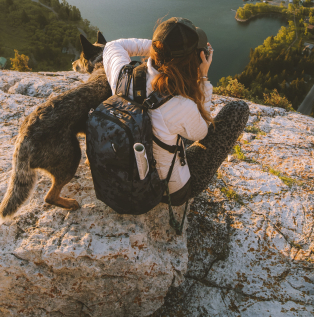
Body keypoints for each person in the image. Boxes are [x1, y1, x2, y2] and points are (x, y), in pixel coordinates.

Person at [102, 17, 250, 205]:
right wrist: (203, 77)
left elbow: (114, 46)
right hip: (168, 191)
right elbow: (202, 133)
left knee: (171, 127)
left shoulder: (123, 77)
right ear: (193, 60)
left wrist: (161, 48)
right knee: (238, 110)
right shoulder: (179, 105)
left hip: (131, 172)